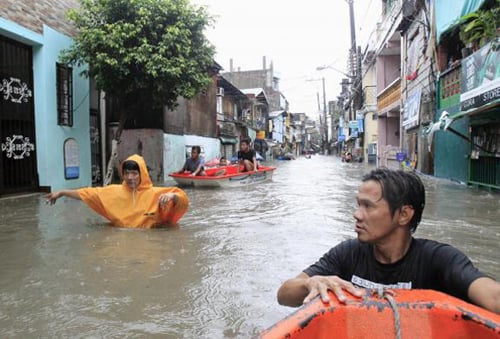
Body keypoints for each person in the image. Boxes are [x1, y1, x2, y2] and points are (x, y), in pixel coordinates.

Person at [277, 167, 499, 314]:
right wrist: (310, 283)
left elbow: (493, 298)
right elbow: (284, 295)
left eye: (368, 206)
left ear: (404, 215)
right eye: (358, 204)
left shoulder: (438, 259)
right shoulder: (347, 253)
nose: (356, 214)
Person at [46, 154, 189, 228]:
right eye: (126, 173)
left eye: (134, 173)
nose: (130, 177)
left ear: (142, 174)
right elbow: (86, 193)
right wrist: (62, 192)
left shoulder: (155, 194)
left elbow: (182, 199)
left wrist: (172, 196)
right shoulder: (113, 192)